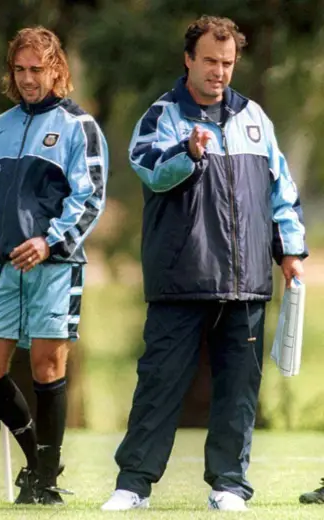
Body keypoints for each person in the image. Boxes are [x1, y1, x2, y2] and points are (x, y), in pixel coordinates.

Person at [101, 15, 307, 512]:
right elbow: (149, 170)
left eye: (228, 63)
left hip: (247, 283)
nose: (219, 71)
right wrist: (187, 153)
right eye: (210, 61)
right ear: (189, 59)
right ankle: (133, 486)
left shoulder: (255, 117)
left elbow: (282, 193)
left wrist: (293, 253)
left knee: (239, 392)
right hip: (182, 277)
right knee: (159, 385)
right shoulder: (163, 115)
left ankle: (230, 486)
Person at [0, 26, 108, 505]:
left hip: (53, 267)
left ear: (56, 68)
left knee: (46, 366)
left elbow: (90, 197)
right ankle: (40, 461)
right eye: (19, 70)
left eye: (36, 69)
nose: (27, 79)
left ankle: (44, 483)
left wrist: (49, 241)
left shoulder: (80, 127)